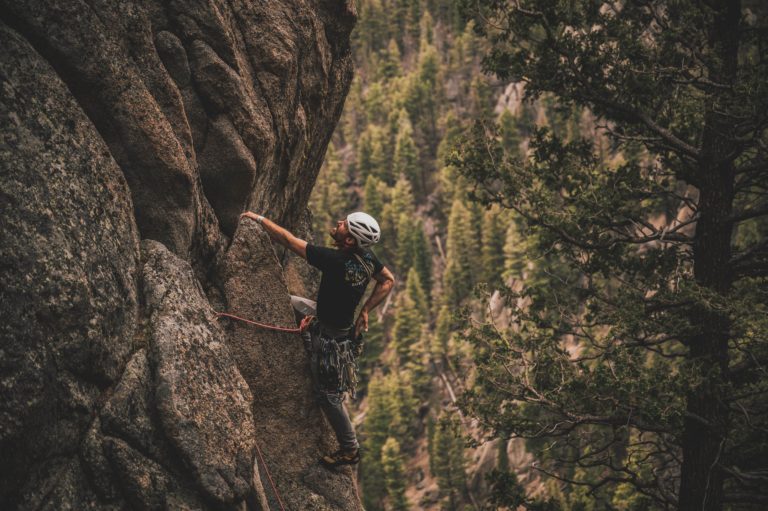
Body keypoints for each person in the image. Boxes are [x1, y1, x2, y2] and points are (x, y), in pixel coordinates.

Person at [239, 210, 395, 467]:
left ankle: (349, 448)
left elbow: (289, 240)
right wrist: (365, 310)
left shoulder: (334, 260)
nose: (339, 223)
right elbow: (387, 280)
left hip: (329, 339)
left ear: (349, 241)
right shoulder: (367, 259)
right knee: (282, 301)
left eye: (344, 225)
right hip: (331, 322)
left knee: (328, 396)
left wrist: (257, 219)